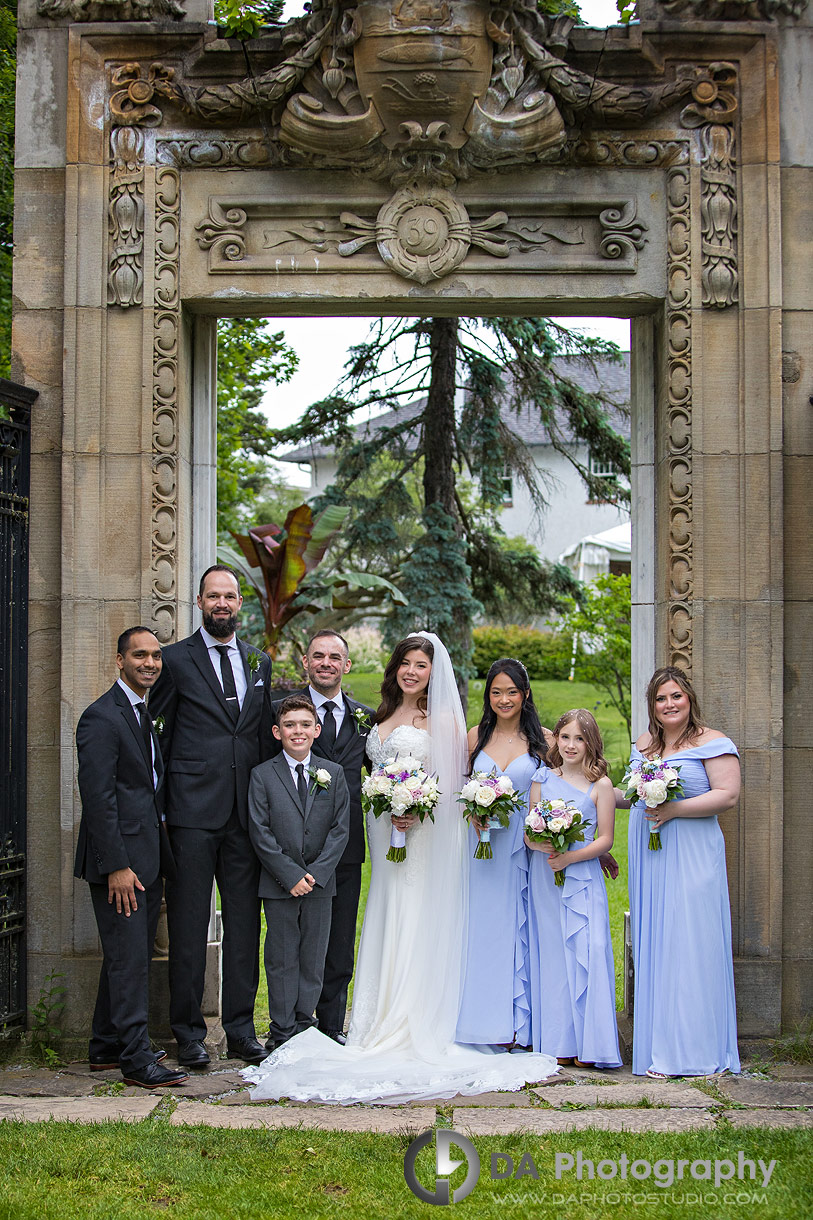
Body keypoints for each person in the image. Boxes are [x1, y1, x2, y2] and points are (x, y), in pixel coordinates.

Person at [244, 633, 559, 1104]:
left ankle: (415, 1016)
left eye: (421, 665)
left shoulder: (445, 719)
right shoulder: (378, 715)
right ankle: (375, 1020)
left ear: (434, 673)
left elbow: (454, 781)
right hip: (383, 830)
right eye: (406, 663)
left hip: (424, 832)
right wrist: (387, 803)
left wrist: (416, 804)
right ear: (395, 667)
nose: (412, 671)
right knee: (387, 911)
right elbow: (370, 772)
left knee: (416, 915)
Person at [149, 565, 274, 1068]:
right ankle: (189, 1033)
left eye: (230, 596)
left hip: (245, 817)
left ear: (240, 603)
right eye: (213, 596)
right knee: (188, 924)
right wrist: (160, 809)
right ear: (198, 602)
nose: (222, 604)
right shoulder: (174, 660)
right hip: (191, 813)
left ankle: (242, 1031)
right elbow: (157, 735)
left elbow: (262, 735)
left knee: (246, 925)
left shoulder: (259, 662)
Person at [74, 627, 187, 1090]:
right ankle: (137, 1060)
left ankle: (105, 1044)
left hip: (147, 857)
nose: (150, 663)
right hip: (120, 865)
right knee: (130, 962)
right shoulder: (101, 717)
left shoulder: (142, 711)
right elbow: (98, 799)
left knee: (128, 953)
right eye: (139, 655)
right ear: (118, 661)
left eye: (156, 655)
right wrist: (116, 866)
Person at [628, 665, 741, 1078]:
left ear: (689, 698)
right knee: (658, 941)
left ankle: (693, 1052)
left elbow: (727, 795)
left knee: (690, 941)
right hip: (652, 853)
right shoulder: (645, 745)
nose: (669, 704)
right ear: (652, 707)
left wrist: (673, 809)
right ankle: (662, 1045)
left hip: (693, 851)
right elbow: (629, 797)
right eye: (661, 698)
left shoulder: (713, 742)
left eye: (676, 696)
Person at [269, 630, 373, 1043]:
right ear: (306, 664)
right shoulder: (282, 713)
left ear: (347, 665)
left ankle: (330, 1025)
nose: (326, 663)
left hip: (342, 846)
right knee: (288, 942)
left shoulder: (365, 718)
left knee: (339, 938)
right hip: (290, 848)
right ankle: (289, 1023)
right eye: (318, 656)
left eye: (335, 657)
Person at [248, 696, 350, 1049]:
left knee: (313, 956)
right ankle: (281, 1029)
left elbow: (340, 830)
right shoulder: (262, 775)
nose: (298, 731)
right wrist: (289, 874)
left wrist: (316, 873)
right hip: (279, 884)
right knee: (280, 956)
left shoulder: (332, 774)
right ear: (277, 731)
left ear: (316, 730)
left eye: (305, 725)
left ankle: (305, 1026)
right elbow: (259, 831)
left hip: (320, 884)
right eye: (290, 725)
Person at [456, 658, 548, 1048]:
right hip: (483, 849)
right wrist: (471, 812)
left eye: (512, 691)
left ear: (525, 695)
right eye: (496, 692)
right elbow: (459, 789)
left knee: (521, 928)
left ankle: (519, 1024)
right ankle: (481, 1020)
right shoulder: (476, 736)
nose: (504, 699)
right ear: (488, 695)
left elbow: (565, 790)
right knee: (484, 928)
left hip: (526, 849)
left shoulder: (544, 739)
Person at [526, 709, 621, 1069]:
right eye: (565, 736)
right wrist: (544, 846)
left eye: (579, 738)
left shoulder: (602, 786)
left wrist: (571, 858)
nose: (570, 745)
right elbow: (528, 833)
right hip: (545, 877)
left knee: (588, 951)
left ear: (591, 743)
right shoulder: (541, 779)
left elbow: (607, 839)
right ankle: (559, 1041)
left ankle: (590, 1043)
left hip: (581, 877)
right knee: (553, 955)